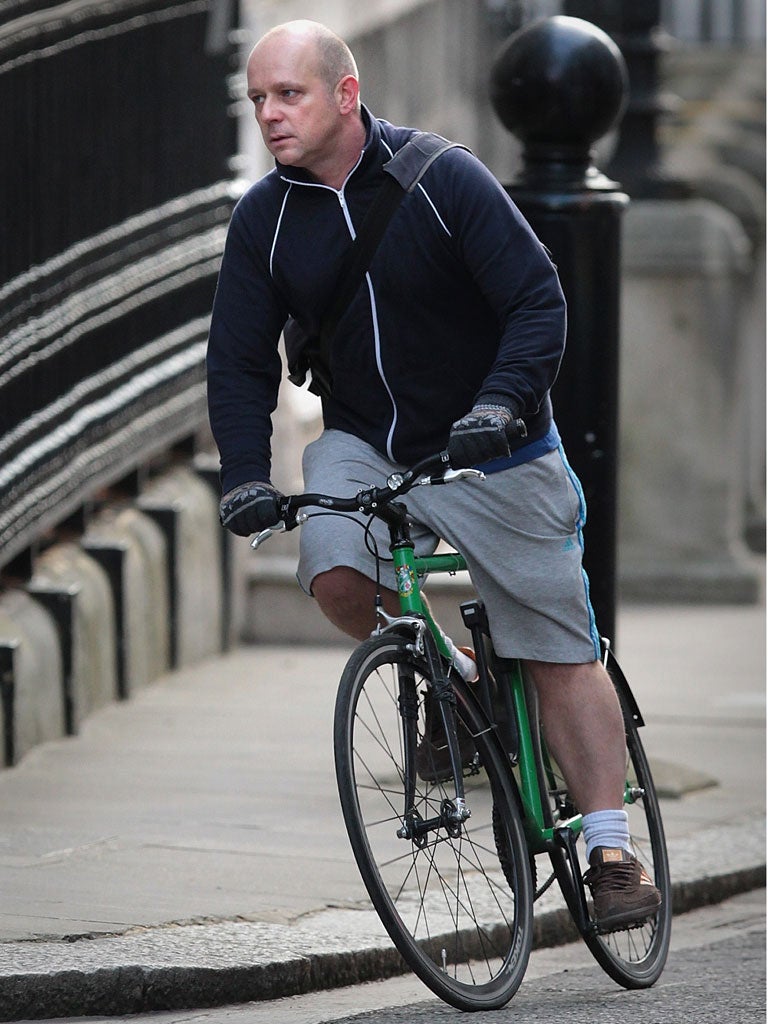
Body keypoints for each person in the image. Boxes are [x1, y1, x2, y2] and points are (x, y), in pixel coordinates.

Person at [206, 19, 661, 932]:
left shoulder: (442, 178)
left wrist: (497, 405)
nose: (269, 115)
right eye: (258, 99)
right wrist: (247, 473)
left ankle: (612, 852)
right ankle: (459, 683)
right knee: (334, 571)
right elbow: (238, 362)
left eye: (287, 94)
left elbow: (536, 300)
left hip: (493, 442)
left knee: (555, 641)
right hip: (369, 438)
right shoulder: (265, 217)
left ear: (344, 93)